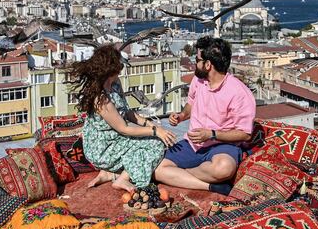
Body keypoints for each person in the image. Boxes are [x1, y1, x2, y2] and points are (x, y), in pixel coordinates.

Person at [70, 44, 177, 193]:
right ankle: (123, 179)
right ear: (110, 68)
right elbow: (124, 128)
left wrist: (149, 123)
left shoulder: (115, 84)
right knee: (155, 145)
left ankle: (110, 174)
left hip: (117, 138)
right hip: (103, 147)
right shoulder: (100, 99)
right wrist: (154, 131)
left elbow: (127, 113)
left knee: (151, 141)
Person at [155, 36, 255, 193]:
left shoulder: (239, 93)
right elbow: (191, 104)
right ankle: (210, 186)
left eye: (197, 60)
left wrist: (212, 135)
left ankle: (181, 175)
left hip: (221, 145)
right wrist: (181, 116)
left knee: (224, 169)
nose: (195, 63)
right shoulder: (198, 80)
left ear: (208, 65)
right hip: (193, 143)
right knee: (157, 168)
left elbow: (245, 134)